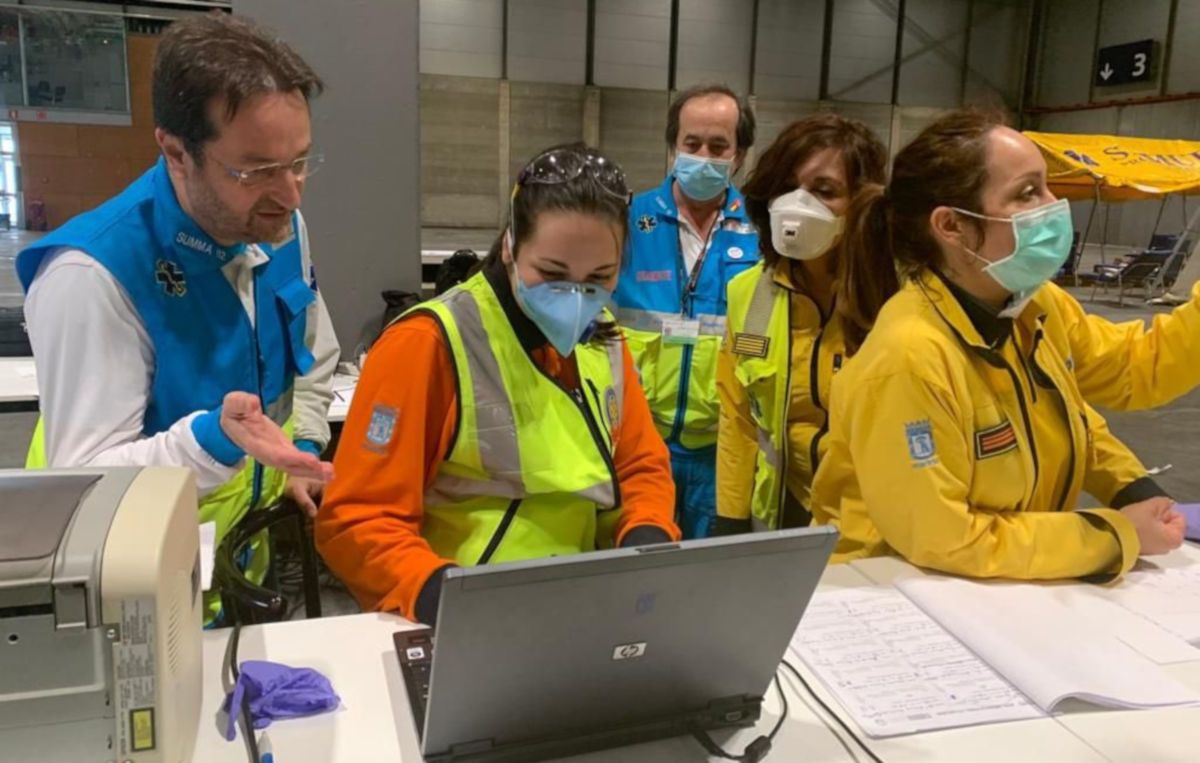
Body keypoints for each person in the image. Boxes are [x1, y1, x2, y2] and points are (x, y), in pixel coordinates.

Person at [16, 14, 339, 619]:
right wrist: (211, 438)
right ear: (175, 151)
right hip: (131, 590)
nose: (291, 194)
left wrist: (301, 447)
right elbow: (86, 486)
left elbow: (313, 352)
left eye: (299, 162)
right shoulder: (92, 275)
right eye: (257, 170)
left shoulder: (279, 224)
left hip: (239, 563)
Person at [811, 110, 1196, 580]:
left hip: (992, 591)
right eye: (1028, 193)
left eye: (1048, 187)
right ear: (951, 226)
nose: (1054, 207)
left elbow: (1103, 392)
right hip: (892, 600)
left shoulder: (1031, 308)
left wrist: (1131, 488)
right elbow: (946, 539)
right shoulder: (909, 357)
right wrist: (1115, 534)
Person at [316, 145, 679, 625]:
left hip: (585, 611)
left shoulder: (603, 340)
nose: (575, 299)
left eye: (599, 278)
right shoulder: (428, 343)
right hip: (460, 618)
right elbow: (358, 519)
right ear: (509, 245)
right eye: (551, 274)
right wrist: (441, 598)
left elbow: (639, 466)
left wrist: (646, 539)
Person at [715, 114, 888, 534]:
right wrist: (731, 517)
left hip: (877, 522)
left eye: (824, 191)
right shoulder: (748, 294)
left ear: (863, 202)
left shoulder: (895, 298)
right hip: (784, 514)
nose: (797, 204)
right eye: (786, 188)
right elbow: (738, 418)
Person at [611, 83, 759, 539]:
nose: (703, 155)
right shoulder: (628, 220)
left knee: (707, 581)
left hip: (722, 450)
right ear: (673, 146)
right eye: (691, 144)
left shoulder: (762, 231)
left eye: (719, 146)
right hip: (635, 446)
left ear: (740, 155)